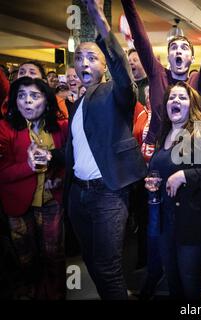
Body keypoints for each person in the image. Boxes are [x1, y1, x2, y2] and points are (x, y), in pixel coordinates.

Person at [65, 0, 147, 300]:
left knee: (108, 266)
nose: (84, 63)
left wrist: (100, 22)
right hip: (78, 195)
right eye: (78, 58)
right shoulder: (76, 105)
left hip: (108, 194)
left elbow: (121, 68)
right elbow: (80, 149)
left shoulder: (116, 92)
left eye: (91, 58)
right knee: (91, 261)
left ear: (102, 66)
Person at [144, 82, 201, 299]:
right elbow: (161, 169)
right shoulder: (164, 134)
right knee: (172, 279)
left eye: (182, 97)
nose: (176, 101)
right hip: (164, 221)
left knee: (189, 280)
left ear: (192, 104)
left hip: (191, 221)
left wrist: (184, 176)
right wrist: (153, 182)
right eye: (171, 98)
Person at [121, 0, 201, 146]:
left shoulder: (196, 81)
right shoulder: (158, 74)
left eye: (184, 47)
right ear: (169, 56)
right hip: (156, 148)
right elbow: (141, 40)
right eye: (174, 47)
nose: (179, 50)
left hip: (187, 149)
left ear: (192, 58)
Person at [0, 77, 68, 299]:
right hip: (19, 205)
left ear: (47, 102)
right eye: (21, 96)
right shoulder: (5, 128)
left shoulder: (60, 128)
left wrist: (59, 177)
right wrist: (28, 166)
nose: (27, 101)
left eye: (34, 96)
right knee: (26, 258)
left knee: (54, 255)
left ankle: (56, 294)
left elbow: (70, 159)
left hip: (50, 201)